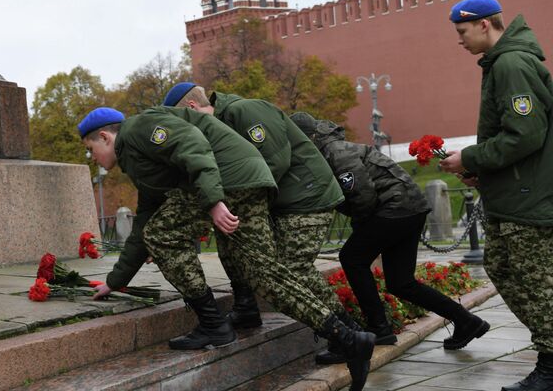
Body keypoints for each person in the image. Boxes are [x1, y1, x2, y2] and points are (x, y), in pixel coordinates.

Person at [79, 106, 375, 390]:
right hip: (246, 179)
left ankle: (212, 324)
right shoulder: (136, 159)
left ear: (105, 137)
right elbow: (145, 218)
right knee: (263, 272)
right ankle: (348, 337)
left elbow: (191, 142)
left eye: (91, 150)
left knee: (161, 235)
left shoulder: (138, 129)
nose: (93, 158)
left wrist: (213, 201)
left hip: (228, 181)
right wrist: (115, 281)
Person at [163, 83, 364, 365]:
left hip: (306, 196)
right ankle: (246, 307)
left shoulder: (244, 110)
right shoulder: (217, 125)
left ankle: (350, 334)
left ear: (191, 109)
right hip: (284, 200)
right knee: (231, 239)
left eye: (183, 122)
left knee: (291, 269)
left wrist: (237, 200)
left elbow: (275, 161)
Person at [291, 112, 489, 351]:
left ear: (306, 137)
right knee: (400, 283)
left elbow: (361, 194)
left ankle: (379, 328)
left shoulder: (335, 151)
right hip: (408, 208)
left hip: (396, 208)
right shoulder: (328, 149)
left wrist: (360, 226)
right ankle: (467, 321)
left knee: (352, 257)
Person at [440, 0, 553, 391]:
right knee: (503, 268)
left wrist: (470, 156)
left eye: (462, 31)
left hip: (529, 197)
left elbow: (525, 134)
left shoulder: (510, 63)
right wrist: (478, 169)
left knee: (535, 281)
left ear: (484, 24)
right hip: (514, 192)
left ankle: (552, 366)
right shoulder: (500, 63)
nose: (459, 40)